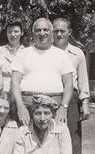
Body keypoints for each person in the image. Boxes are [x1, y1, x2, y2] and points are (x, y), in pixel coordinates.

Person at [11, 18, 74, 126]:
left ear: (51, 32)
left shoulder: (62, 55)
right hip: (28, 104)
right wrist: (20, 106)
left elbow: (69, 83)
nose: (42, 33)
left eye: (45, 30)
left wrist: (64, 107)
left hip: (54, 104)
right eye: (38, 30)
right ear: (33, 33)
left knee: (54, 140)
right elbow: (14, 82)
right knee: (25, 140)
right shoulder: (23, 53)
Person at [53, 17, 90, 154]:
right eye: (55, 31)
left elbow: (83, 80)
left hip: (72, 99)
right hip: (51, 96)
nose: (58, 34)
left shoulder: (77, 53)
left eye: (62, 31)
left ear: (69, 32)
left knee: (73, 136)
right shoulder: (46, 51)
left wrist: (85, 102)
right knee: (50, 136)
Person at [0, 17, 24, 92]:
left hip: (21, 94)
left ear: (22, 33)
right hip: (1, 93)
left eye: (16, 31)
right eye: (9, 32)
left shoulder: (27, 53)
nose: (12, 34)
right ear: (6, 34)